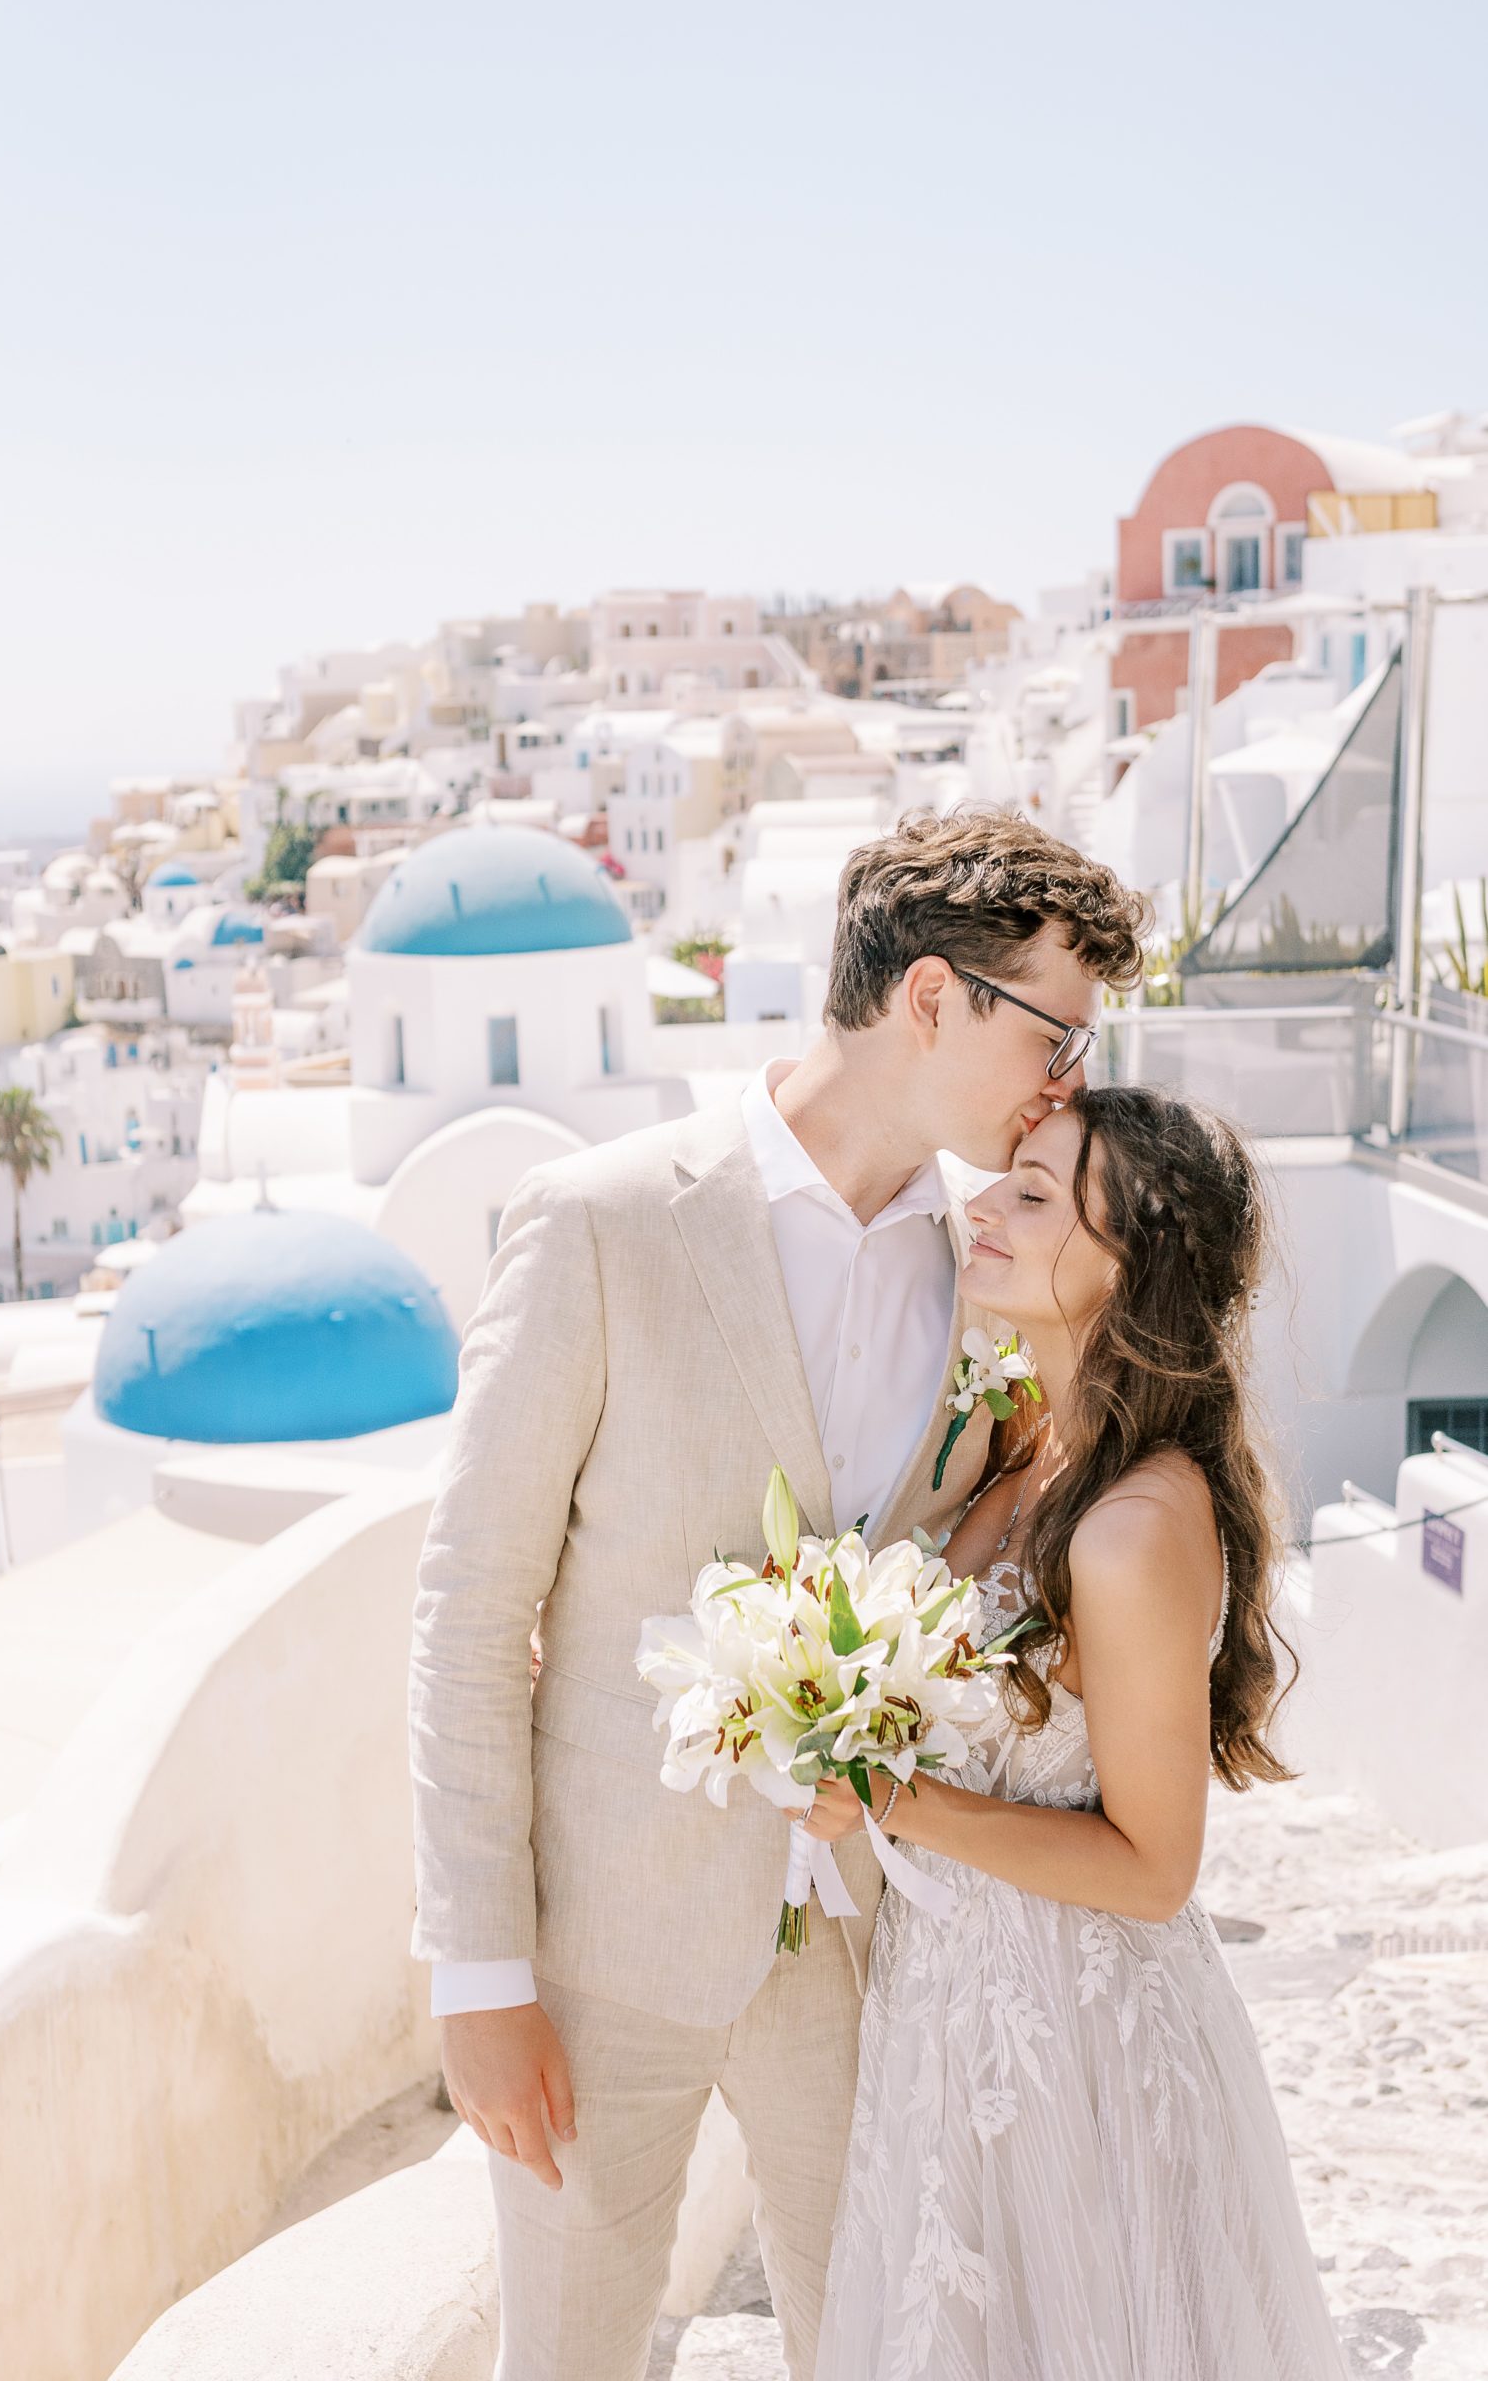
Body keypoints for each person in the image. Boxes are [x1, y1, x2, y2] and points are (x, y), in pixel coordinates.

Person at [407, 808, 1150, 2381]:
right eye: (1056, 1031)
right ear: (933, 999)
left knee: (885, 2351)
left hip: (881, 1955)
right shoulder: (604, 1221)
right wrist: (479, 1977)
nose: (1068, 1080)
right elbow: (469, 1614)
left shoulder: (991, 1266)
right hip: (608, 1947)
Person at [799, 1083, 1348, 2380]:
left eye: (1035, 1196)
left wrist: (885, 1797)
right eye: (1007, 1176)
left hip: (1077, 2040)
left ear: (1133, 1265)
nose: (980, 1202)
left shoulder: (1133, 1524)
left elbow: (1153, 1869)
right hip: (955, 2021)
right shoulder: (1039, 1451)